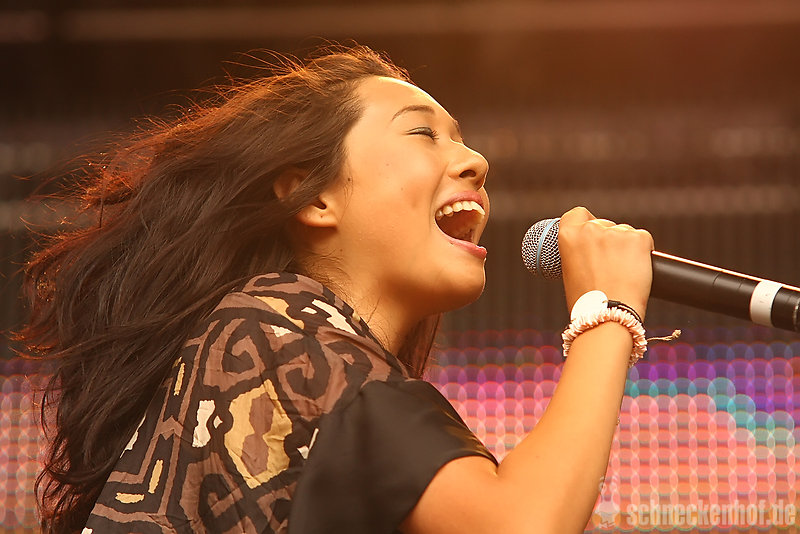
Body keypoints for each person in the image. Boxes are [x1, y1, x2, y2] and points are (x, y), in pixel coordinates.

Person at [18, 45, 654, 533]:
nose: (476, 161)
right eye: (422, 133)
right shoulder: (269, 330)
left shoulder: (296, 358)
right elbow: (518, 523)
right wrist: (606, 310)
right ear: (313, 197)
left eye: (461, 139)